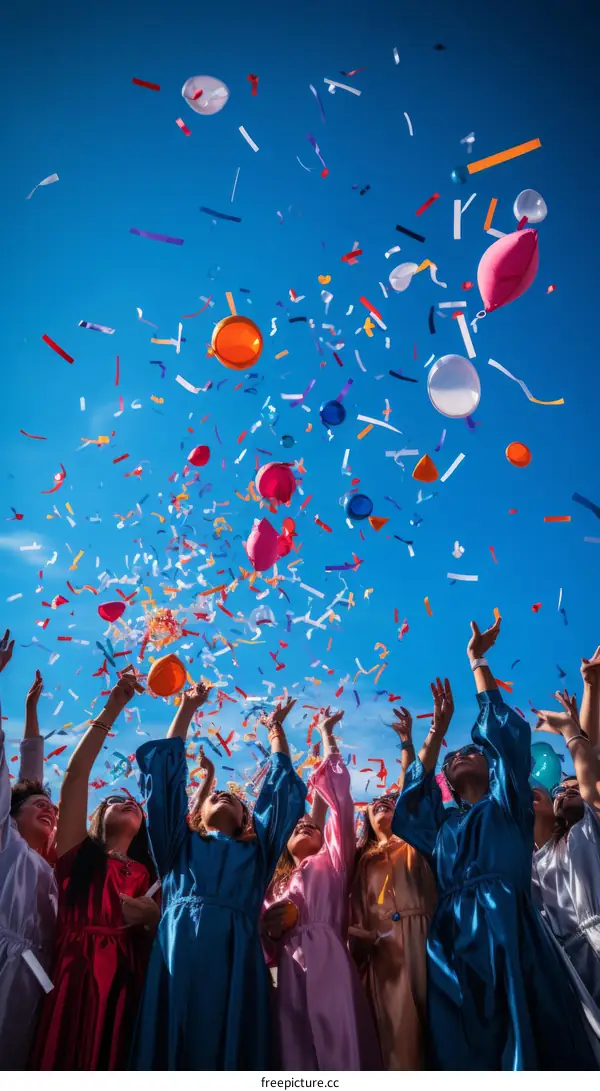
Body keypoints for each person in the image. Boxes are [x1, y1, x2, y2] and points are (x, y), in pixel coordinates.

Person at [392, 616, 598, 1070]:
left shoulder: (508, 804)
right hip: (451, 938)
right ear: (445, 779)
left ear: (493, 771)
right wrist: (433, 733)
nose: (463, 754)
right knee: (462, 1044)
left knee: (524, 1033)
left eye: (471, 751)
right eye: (453, 758)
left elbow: (506, 735)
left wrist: (477, 661)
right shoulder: (442, 826)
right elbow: (407, 806)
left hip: (510, 924)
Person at [130, 687, 307, 1070]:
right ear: (197, 813)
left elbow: (281, 794)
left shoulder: (257, 853)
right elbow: (164, 783)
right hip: (178, 951)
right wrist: (187, 707)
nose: (225, 795)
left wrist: (276, 731)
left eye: (235, 797)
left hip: (237, 955)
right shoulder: (177, 845)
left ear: (247, 817)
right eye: (217, 794)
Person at [33, 666, 159, 1071]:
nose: (127, 800)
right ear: (97, 818)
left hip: (127, 980)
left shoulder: (146, 875)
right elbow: (75, 778)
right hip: (75, 973)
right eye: (113, 800)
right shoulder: (78, 854)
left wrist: (154, 917)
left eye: (134, 801)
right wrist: (113, 706)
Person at [261, 708, 381, 1071]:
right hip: (290, 970)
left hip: (330, 959)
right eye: (297, 826)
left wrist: (327, 735)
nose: (304, 825)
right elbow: (264, 940)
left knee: (340, 1046)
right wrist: (270, 929)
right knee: (295, 1049)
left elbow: (340, 804)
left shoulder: (334, 861)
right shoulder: (273, 882)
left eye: (311, 825)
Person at [349, 705, 437, 1070]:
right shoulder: (362, 862)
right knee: (398, 1045)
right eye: (374, 805)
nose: (382, 803)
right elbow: (356, 917)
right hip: (385, 956)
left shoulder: (417, 844)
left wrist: (407, 743)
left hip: (430, 940)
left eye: (389, 801)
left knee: (440, 1031)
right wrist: (360, 940)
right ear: (366, 821)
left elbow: (413, 788)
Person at [0, 635, 58, 1070]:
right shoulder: (7, 842)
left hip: (41, 978)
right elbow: (25, 773)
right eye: (37, 805)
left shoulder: (54, 866)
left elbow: (33, 786)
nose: (49, 808)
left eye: (52, 809)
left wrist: (35, 710)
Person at [531, 687, 600, 1006]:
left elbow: (590, 766)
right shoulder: (535, 856)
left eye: (570, 788)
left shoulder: (590, 828)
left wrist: (571, 728)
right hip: (571, 964)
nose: (563, 791)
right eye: (556, 790)